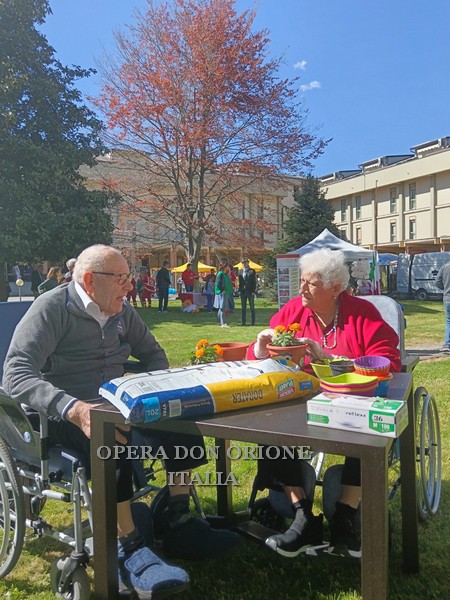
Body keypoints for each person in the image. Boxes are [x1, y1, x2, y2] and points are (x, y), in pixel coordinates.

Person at [3, 244, 238, 598]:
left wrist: (161, 391)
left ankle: (178, 519)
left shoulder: (121, 311)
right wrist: (74, 407)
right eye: (122, 279)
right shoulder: (52, 309)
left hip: (118, 401)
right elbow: (16, 374)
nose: (130, 287)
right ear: (89, 281)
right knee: (110, 438)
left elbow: (153, 353)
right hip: (65, 412)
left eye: (130, 278)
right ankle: (127, 545)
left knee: (180, 421)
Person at [247, 248, 401, 559]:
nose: (302, 289)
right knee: (269, 430)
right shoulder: (293, 312)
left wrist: (328, 357)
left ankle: (344, 516)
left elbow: (389, 361)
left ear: (335, 288)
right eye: (301, 281)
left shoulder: (362, 314)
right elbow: (260, 361)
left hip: (354, 399)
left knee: (368, 431)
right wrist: (261, 347)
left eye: (312, 284)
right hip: (302, 398)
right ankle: (302, 514)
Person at [435, 260, 450, 351]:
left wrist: (444, 289)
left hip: (447, 297)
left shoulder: (444, 267)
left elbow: (437, 281)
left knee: (448, 321)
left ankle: (447, 343)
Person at [214, 258, 233, 328]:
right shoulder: (220, 274)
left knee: (222, 308)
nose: (229, 269)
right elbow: (218, 284)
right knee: (222, 308)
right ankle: (222, 323)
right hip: (222, 293)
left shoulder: (224, 274)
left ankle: (219, 322)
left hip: (226, 292)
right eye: (228, 267)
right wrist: (222, 290)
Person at [238, 258, 257, 326]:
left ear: (248, 263)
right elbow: (240, 282)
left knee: (252, 307)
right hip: (243, 291)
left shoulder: (252, 271)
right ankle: (243, 322)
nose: (244, 264)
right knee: (243, 308)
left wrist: (253, 291)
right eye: (243, 262)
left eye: (245, 262)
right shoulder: (240, 271)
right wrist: (240, 290)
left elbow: (254, 282)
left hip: (250, 291)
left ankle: (253, 322)